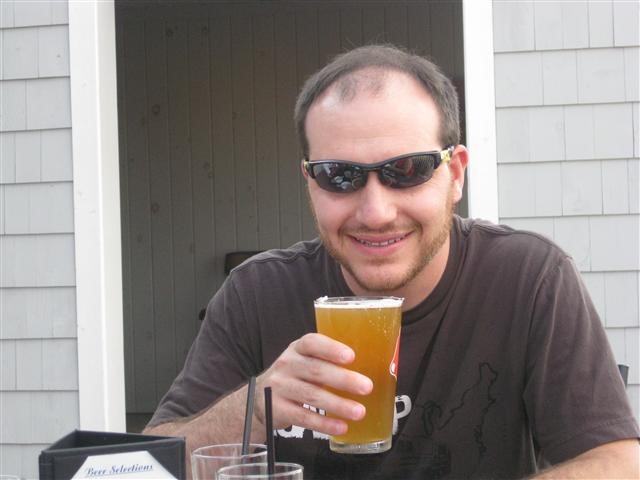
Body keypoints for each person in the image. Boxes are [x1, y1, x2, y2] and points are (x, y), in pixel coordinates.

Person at [145, 45, 639, 479]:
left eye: (407, 170)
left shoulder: (527, 278)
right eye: (339, 176)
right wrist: (254, 409)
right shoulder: (258, 292)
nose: (376, 213)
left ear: (455, 175)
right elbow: (148, 463)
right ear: (310, 184)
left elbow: (619, 461)